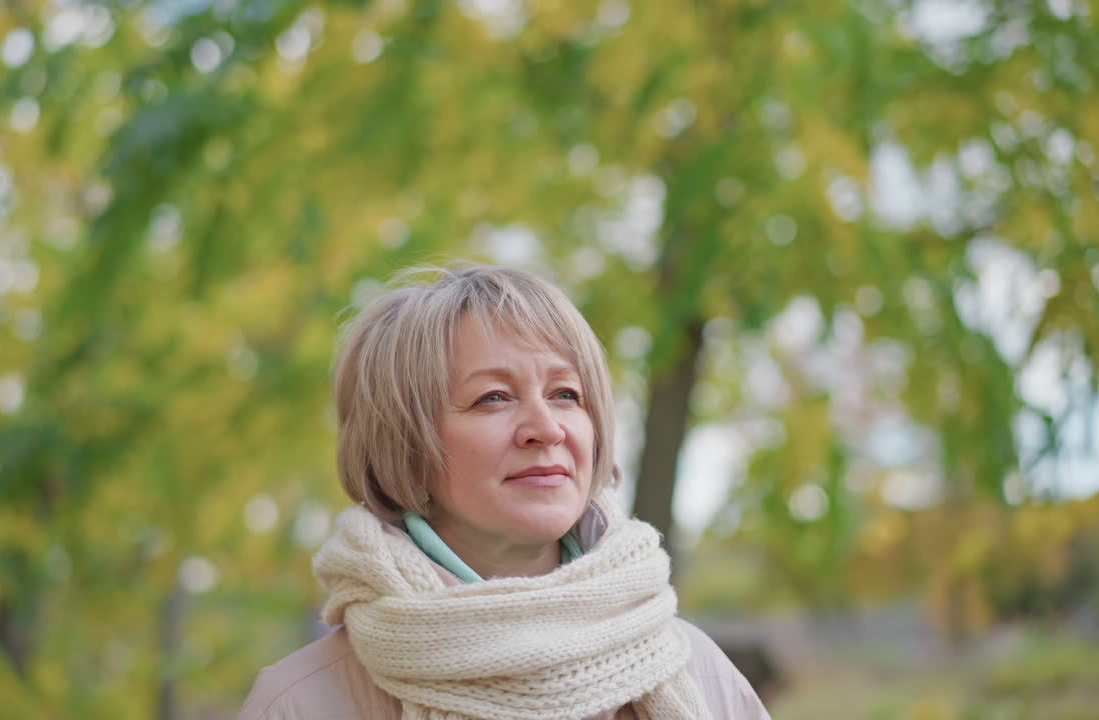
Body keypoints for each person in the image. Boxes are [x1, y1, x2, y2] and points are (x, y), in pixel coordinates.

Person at [238, 264, 770, 720]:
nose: (546, 427)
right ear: (404, 443)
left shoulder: (701, 676)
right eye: (493, 398)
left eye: (566, 394)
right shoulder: (301, 704)